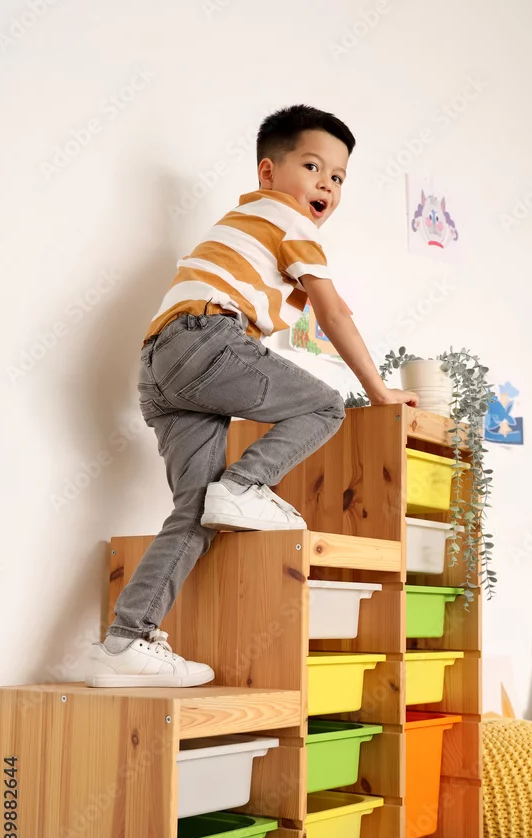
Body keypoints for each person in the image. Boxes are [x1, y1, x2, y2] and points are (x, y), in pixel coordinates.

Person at [87, 104, 418, 688]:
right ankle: (244, 485)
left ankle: (125, 641)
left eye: (338, 177)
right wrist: (381, 391)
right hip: (204, 339)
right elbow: (332, 313)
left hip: (162, 367)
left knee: (195, 513)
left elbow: (314, 307)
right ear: (268, 172)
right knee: (325, 405)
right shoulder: (289, 219)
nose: (326, 184)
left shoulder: (248, 223)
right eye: (312, 166)